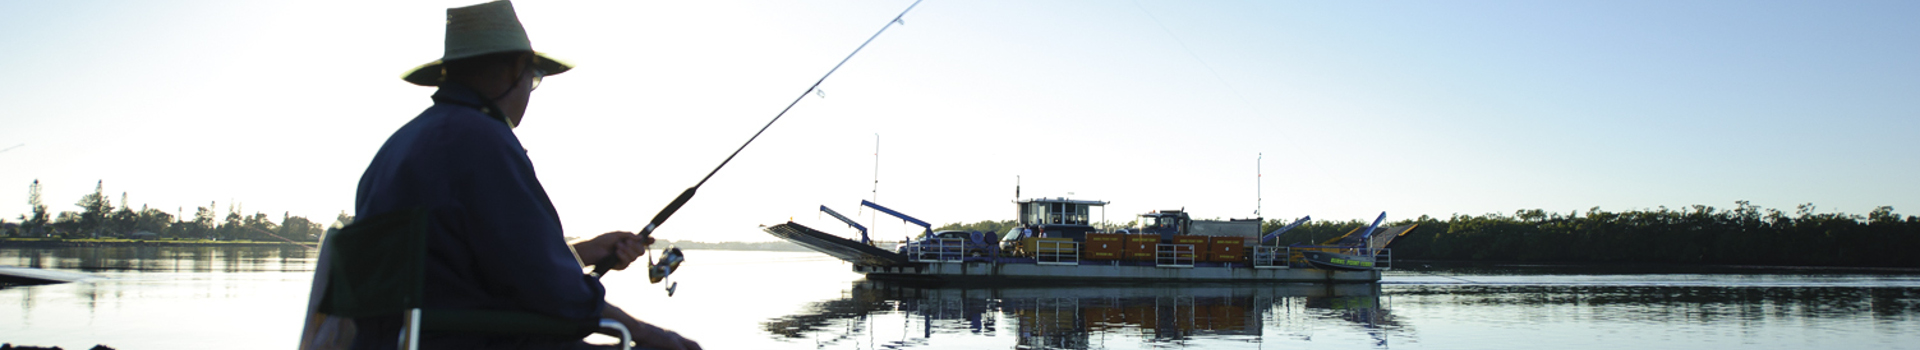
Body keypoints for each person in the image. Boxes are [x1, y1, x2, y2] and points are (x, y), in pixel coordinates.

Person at [350, 2, 699, 349]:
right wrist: (657, 336)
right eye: (534, 79)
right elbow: (557, 295)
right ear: (517, 68)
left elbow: (479, 266)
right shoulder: (481, 140)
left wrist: (585, 252)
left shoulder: (401, 145)